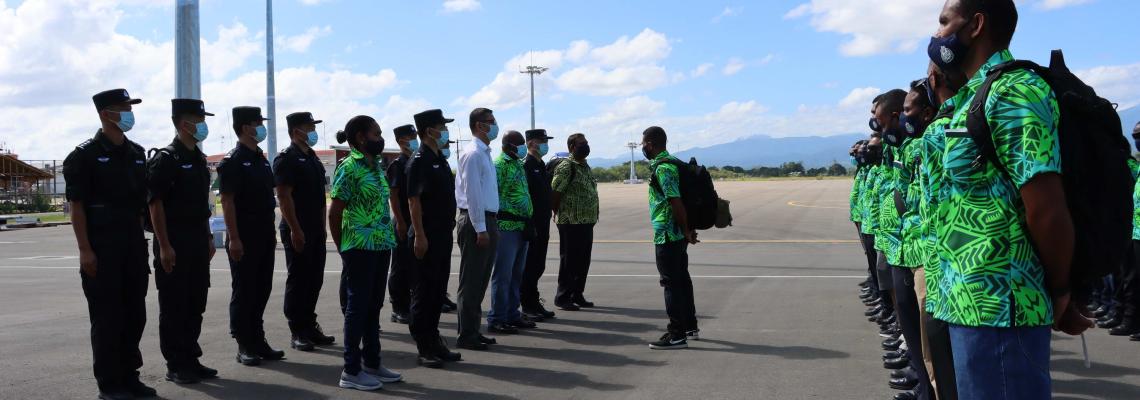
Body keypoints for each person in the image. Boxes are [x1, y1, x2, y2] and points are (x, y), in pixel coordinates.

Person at [929, 0, 1090, 397]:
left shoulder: (1014, 91)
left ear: (976, 25)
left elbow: (1046, 207)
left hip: (1002, 306)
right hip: (964, 301)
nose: (936, 35)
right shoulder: (971, 99)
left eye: (945, 22)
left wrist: (1060, 289)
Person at [65, 88, 156, 400]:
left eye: (130, 107)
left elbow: (143, 204)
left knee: (134, 314)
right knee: (107, 318)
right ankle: (109, 383)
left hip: (132, 244)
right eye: (123, 107)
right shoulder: (84, 156)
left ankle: (130, 376)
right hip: (101, 248)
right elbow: (77, 207)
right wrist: (84, 250)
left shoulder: (137, 153)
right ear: (106, 113)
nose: (129, 113)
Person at [328, 115, 404, 391]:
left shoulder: (375, 166)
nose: (380, 138)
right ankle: (351, 369)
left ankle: (372, 362)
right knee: (357, 308)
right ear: (361, 137)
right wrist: (343, 248)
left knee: (374, 306)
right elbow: (335, 213)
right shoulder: (349, 168)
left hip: (382, 244)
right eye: (377, 133)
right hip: (359, 246)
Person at [146, 98, 217, 384]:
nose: (202, 125)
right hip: (173, 241)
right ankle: (176, 363)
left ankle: (191, 357)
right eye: (198, 120)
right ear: (184, 123)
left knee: (195, 302)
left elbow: (202, 204)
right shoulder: (167, 158)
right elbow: (155, 204)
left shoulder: (198, 158)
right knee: (174, 305)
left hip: (198, 240)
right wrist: (164, 245)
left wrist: (210, 237)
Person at [218, 106, 284, 366]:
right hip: (243, 235)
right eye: (258, 123)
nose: (262, 127)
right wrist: (234, 238)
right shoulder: (233, 160)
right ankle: (244, 343)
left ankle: (258, 339)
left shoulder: (260, 158)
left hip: (264, 233)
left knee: (261, 288)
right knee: (244, 290)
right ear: (246, 127)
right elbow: (227, 201)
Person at [916, 62, 965, 400]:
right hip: (934, 257)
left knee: (949, 358)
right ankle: (925, 383)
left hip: (956, 269)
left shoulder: (947, 128)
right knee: (932, 338)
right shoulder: (934, 133)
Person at [406, 109, 464, 368]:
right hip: (425, 236)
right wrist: (419, 234)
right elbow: (413, 200)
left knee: (438, 291)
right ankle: (424, 345)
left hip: (441, 234)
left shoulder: (439, 158)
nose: (445, 131)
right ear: (429, 130)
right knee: (424, 291)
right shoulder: (419, 160)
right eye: (442, 126)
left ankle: (434, 338)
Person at [275, 112, 335, 352]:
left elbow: (321, 198)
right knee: (299, 280)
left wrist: (322, 227)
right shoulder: (286, 159)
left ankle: (310, 325)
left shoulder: (313, 159)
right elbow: (283, 196)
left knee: (314, 279)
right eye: (309, 126)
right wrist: (295, 229)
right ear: (296, 131)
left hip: (315, 229)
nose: (313, 131)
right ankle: (297, 330)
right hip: (296, 228)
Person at [640, 126, 700, 350]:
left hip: (668, 234)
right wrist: (688, 230)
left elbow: (675, 201)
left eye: (643, 143)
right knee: (682, 279)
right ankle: (689, 325)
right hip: (678, 233)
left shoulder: (664, 168)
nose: (642, 147)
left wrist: (685, 230)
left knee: (671, 283)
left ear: (650, 144)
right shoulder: (675, 163)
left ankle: (676, 334)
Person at [455, 107, 504, 347]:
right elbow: (473, 195)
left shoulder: (484, 153)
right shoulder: (473, 154)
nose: (495, 125)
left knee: (481, 279)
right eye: (490, 122)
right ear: (478, 125)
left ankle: (473, 330)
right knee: (472, 280)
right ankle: (466, 334)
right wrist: (481, 228)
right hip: (477, 221)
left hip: (487, 219)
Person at [488, 130, 535, 331]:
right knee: (503, 275)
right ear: (508, 145)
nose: (523, 146)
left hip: (522, 225)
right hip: (506, 227)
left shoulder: (517, 163)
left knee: (517, 274)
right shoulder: (499, 165)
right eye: (519, 143)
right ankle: (497, 318)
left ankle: (512, 313)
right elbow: (493, 195)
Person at [551, 133, 600, 311]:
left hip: (587, 221)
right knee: (569, 261)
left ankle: (577, 294)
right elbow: (555, 192)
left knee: (583, 261)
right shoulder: (566, 166)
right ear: (572, 146)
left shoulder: (585, 166)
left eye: (586, 142)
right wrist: (558, 211)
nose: (586, 146)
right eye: (582, 143)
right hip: (570, 221)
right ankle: (563, 297)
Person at [520, 129, 558, 321]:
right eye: (542, 140)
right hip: (533, 224)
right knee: (530, 265)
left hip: (543, 223)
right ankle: (527, 305)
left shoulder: (540, 164)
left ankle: (534, 301)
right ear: (531, 143)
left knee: (538, 265)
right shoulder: (527, 165)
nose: (545, 144)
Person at [386, 124, 418, 325]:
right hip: (402, 222)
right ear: (400, 141)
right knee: (400, 267)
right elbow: (394, 196)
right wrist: (399, 221)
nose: (414, 139)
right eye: (410, 136)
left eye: (415, 135)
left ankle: (409, 304)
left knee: (412, 266)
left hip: (414, 221)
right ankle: (398, 308)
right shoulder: (398, 164)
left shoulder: (413, 161)